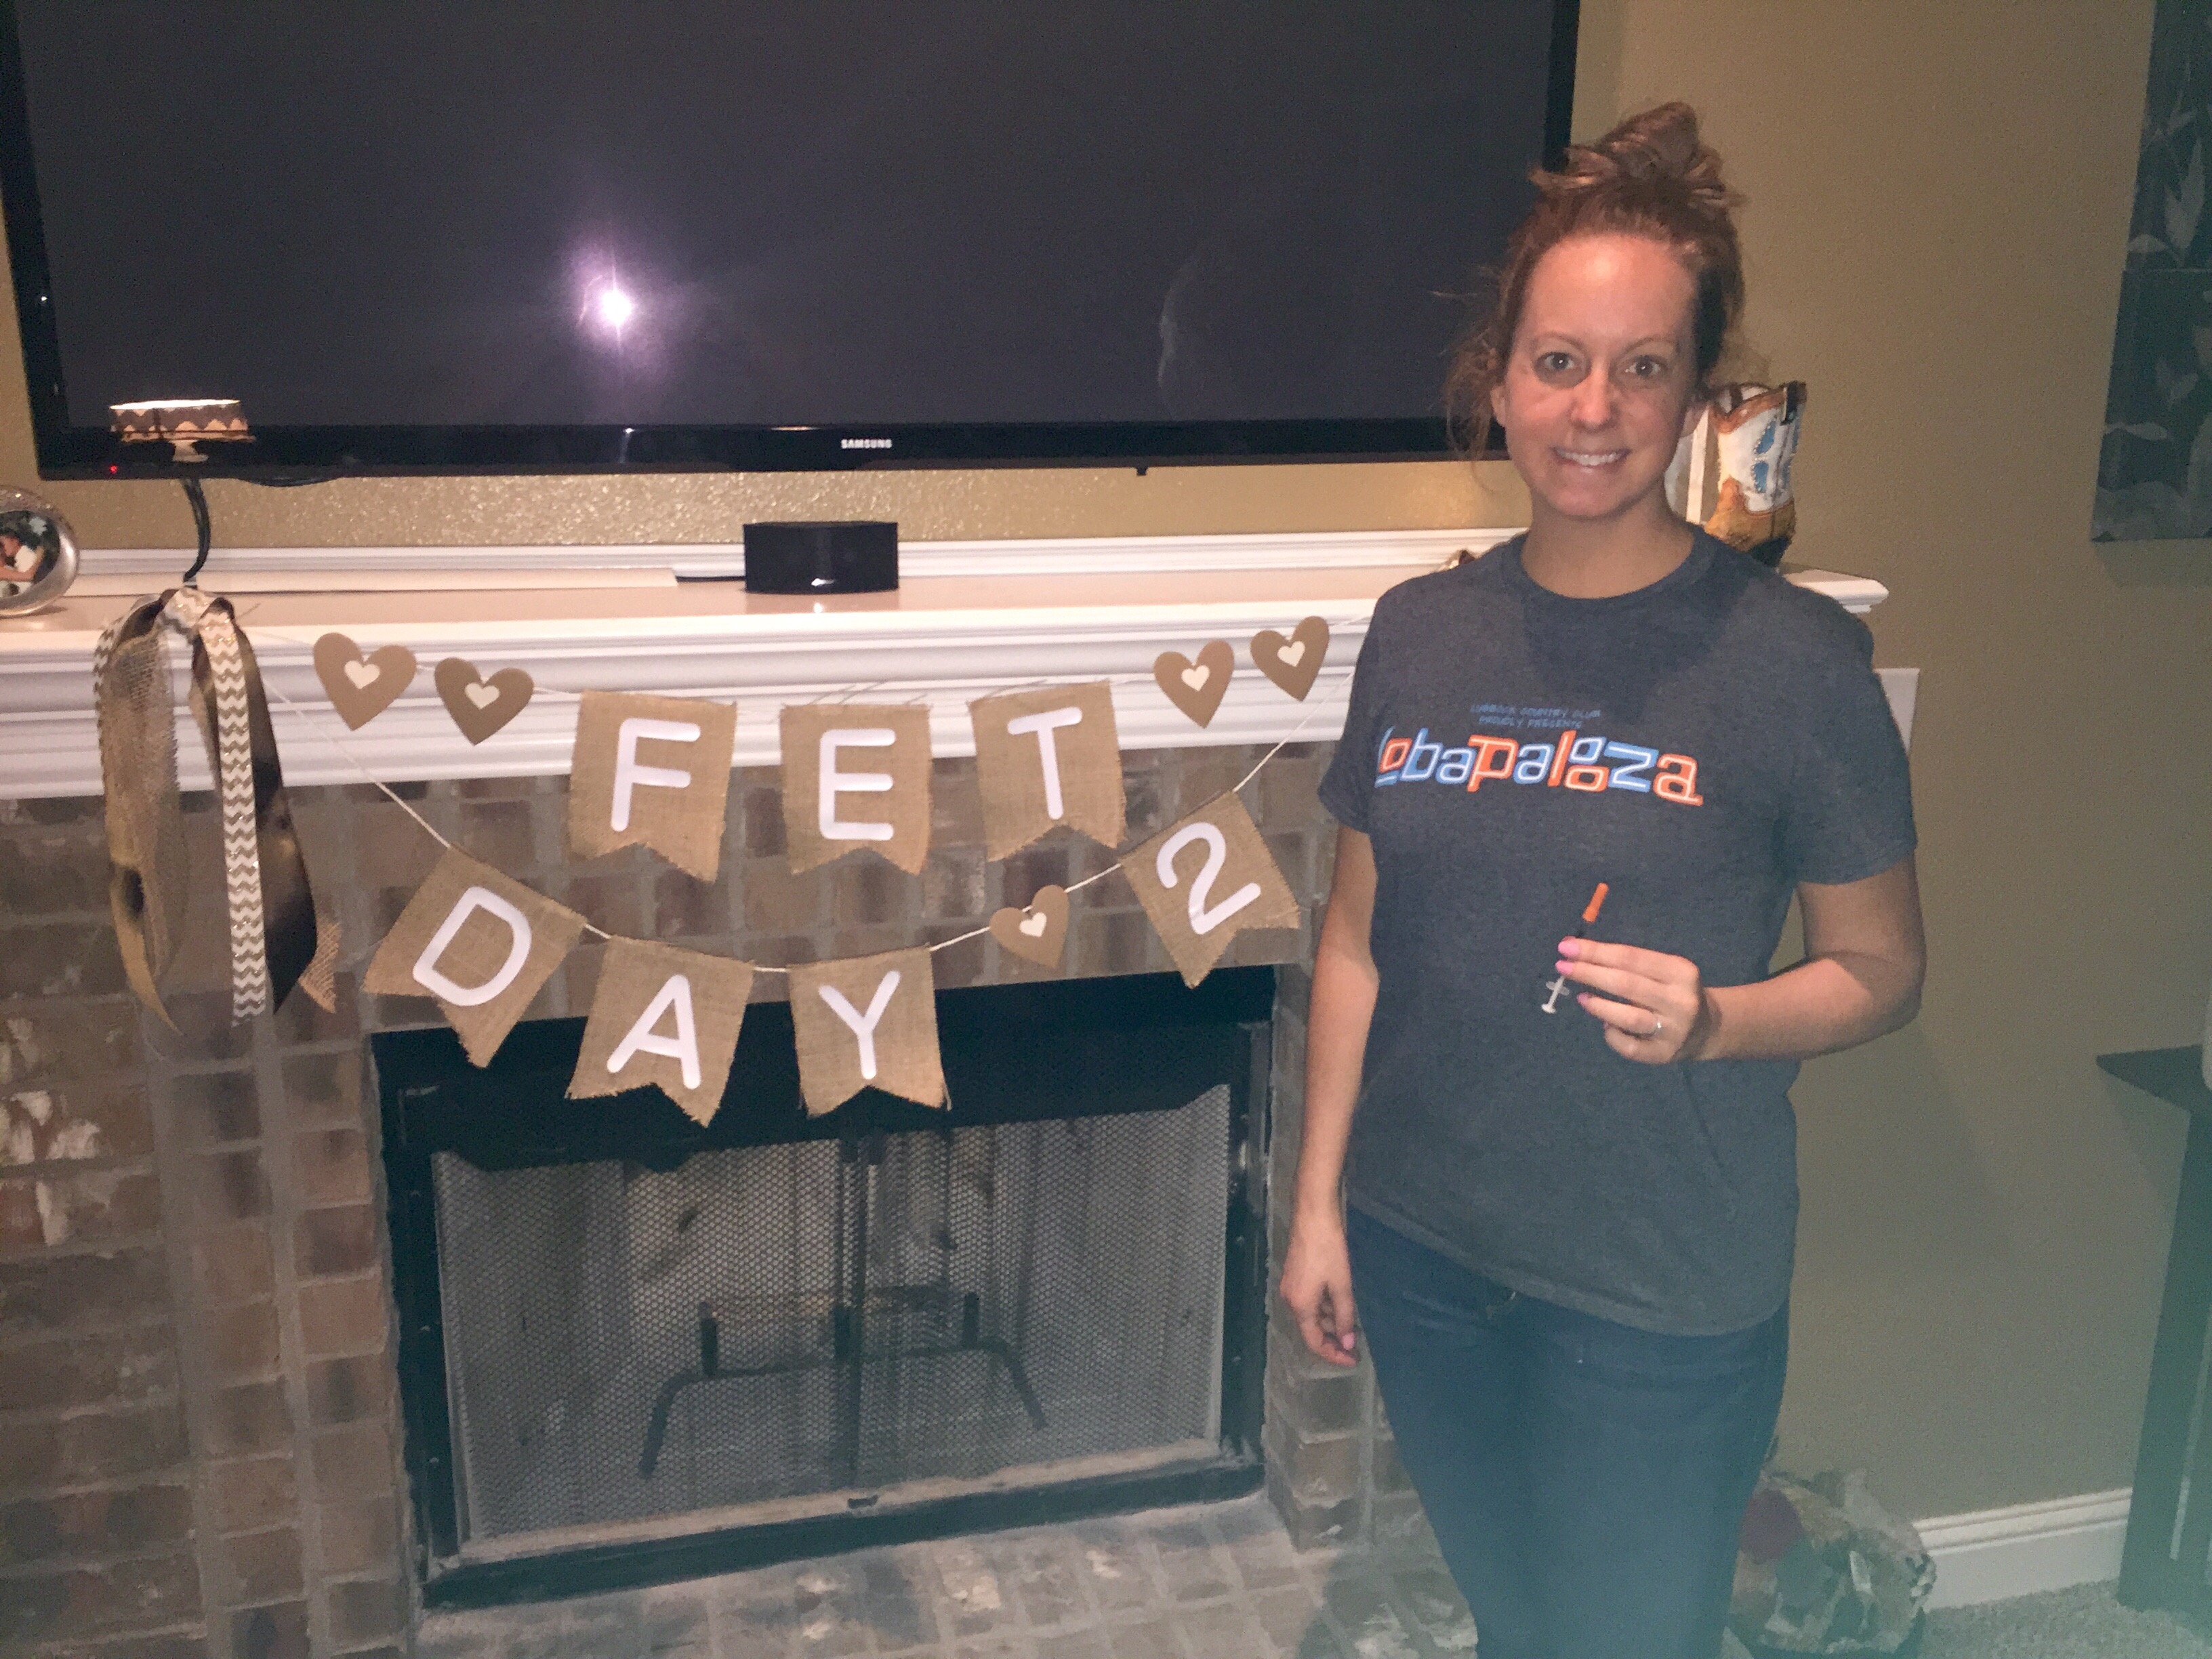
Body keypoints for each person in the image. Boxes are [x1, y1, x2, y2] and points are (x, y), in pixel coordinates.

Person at [1279, 103, 1924, 1659]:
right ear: (1499, 381)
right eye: (1559, 360)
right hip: (1427, 1259)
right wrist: (1319, 1211)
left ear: (1694, 397)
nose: (1594, 406)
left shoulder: (1798, 664)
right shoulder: (1419, 636)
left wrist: (1720, 1021)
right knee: (1520, 1628)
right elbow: (1357, 942)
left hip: (1659, 1296)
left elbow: (1884, 968)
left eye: (1643, 367)